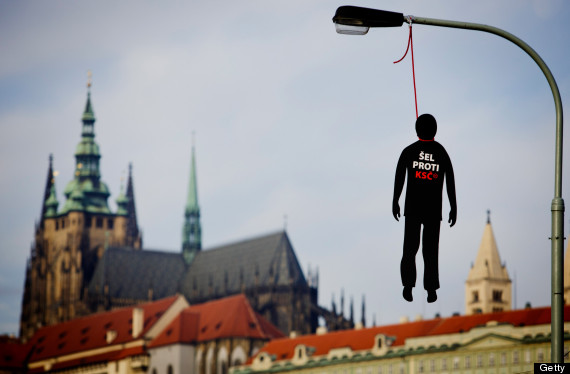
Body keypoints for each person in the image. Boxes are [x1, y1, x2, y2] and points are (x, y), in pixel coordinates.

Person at [392, 113, 457, 303]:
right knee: (430, 251)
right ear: (435, 130)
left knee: (410, 249)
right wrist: (453, 206)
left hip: (412, 209)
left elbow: (399, 178)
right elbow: (450, 182)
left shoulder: (409, 151)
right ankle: (430, 289)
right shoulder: (441, 152)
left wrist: (395, 200)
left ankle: (408, 286)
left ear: (416, 130)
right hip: (433, 211)